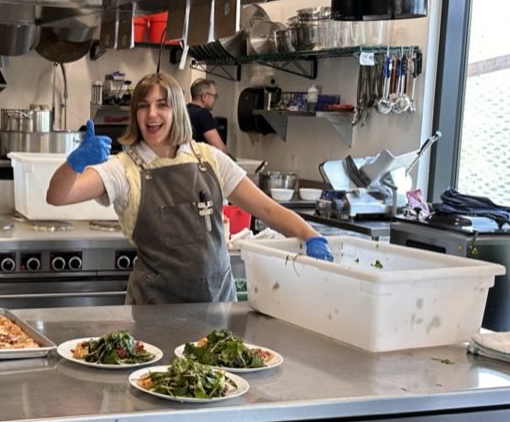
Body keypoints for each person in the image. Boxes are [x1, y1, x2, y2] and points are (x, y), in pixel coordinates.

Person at [46, 72, 334, 305]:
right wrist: (75, 162)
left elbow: (267, 210)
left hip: (217, 308)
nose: (151, 114)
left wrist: (311, 235)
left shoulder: (209, 159)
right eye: (143, 106)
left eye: (162, 104)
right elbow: (58, 196)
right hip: (155, 314)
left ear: (177, 111)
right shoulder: (124, 168)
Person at [187, 78, 227, 152]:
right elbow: (220, 149)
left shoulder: (184, 111)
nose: (215, 99)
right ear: (204, 97)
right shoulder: (203, 114)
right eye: (214, 96)